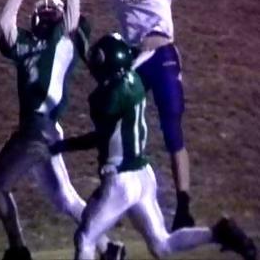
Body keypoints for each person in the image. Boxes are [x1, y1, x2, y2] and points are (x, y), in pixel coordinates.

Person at [50, 32, 257, 260]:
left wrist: (62, 146)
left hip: (120, 180)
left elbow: (99, 137)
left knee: (85, 238)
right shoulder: (135, 81)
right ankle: (218, 233)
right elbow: (123, 59)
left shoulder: (106, 99)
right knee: (161, 244)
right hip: (143, 175)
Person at [64, 0, 195, 230]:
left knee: (171, 128)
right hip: (131, 58)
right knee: (113, 124)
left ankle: (183, 204)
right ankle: (115, 191)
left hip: (161, 54)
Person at [0, 0, 124, 260]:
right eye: (44, 12)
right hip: (36, 129)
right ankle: (108, 247)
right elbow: (5, 22)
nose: (47, 16)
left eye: (53, 13)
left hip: (40, 128)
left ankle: (18, 251)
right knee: (64, 198)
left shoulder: (63, 41)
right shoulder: (24, 44)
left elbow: (73, 14)